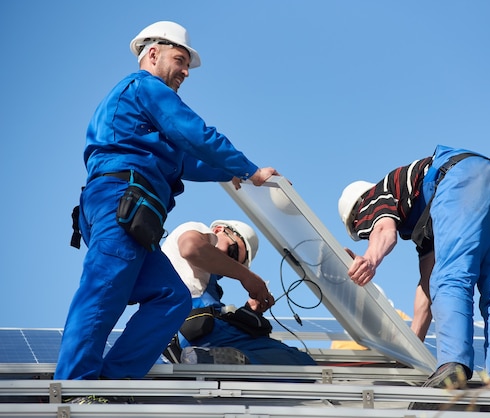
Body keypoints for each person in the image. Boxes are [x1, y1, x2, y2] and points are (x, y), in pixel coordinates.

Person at [55, 21, 279, 381]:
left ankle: (111, 385)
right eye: (181, 59)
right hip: (122, 202)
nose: (186, 71)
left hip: (132, 213)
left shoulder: (140, 110)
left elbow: (182, 160)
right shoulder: (146, 86)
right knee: (104, 289)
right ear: (153, 54)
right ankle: (73, 385)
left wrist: (227, 171)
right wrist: (249, 168)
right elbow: (193, 132)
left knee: (171, 297)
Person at [337, 144, 490, 389]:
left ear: (357, 218)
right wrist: (413, 346)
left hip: (462, 179)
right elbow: (427, 286)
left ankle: (453, 365)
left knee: (452, 278)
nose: (367, 232)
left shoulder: (372, 198)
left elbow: (385, 230)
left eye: (363, 231)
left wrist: (370, 259)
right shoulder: (427, 224)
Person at [161, 220, 317, 366]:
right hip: (197, 330)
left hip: (186, 335)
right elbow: (191, 248)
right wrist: (246, 276)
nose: (229, 261)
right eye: (233, 251)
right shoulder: (195, 228)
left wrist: (249, 312)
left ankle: (209, 358)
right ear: (218, 230)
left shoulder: (202, 279)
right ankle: (217, 361)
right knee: (300, 362)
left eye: (235, 261)